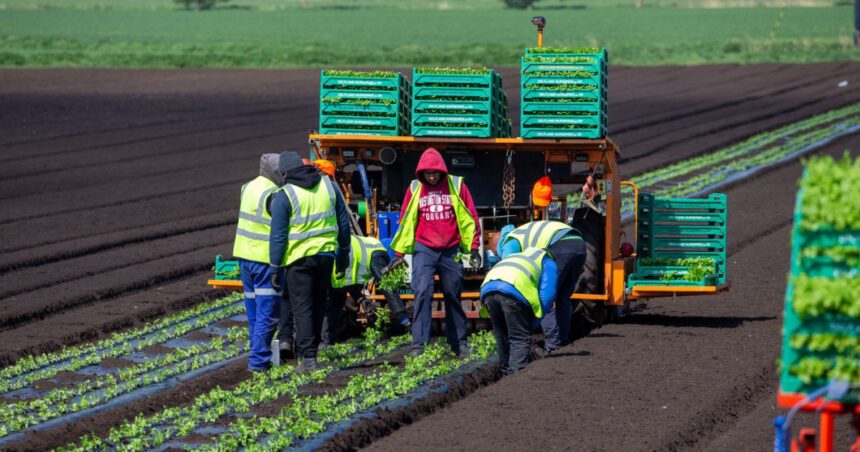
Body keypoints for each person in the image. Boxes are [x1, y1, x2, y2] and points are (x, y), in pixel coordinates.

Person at [386, 147, 481, 356]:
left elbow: (470, 217)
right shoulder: (414, 188)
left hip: (450, 249)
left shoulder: (456, 186)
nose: (431, 176)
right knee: (422, 293)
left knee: (453, 295)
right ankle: (419, 346)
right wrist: (399, 255)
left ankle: (459, 343)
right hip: (424, 248)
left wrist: (473, 248)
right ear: (421, 173)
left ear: (441, 171)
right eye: (427, 173)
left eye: (435, 173)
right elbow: (405, 222)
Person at [269, 151, 351, 371]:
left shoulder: (285, 195)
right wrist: (344, 255)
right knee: (318, 305)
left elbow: (278, 235)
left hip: (299, 260)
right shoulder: (329, 186)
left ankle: (308, 359)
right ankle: (312, 354)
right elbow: (344, 225)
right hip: (326, 256)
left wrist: (275, 267)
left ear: (285, 172)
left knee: (302, 308)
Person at [498, 219, 586, 353]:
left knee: (545, 299)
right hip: (579, 245)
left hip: (560, 247)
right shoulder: (522, 232)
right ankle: (563, 340)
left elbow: (510, 269)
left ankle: (553, 345)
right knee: (563, 298)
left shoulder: (509, 242)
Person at [232, 153, 285, 372]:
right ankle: (259, 362)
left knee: (254, 312)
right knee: (268, 313)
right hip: (264, 260)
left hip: (244, 257)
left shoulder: (247, 187)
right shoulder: (274, 193)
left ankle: (257, 357)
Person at [322, 234, 411, 349]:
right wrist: (361, 299)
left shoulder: (338, 255)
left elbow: (349, 282)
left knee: (333, 303)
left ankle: (325, 342)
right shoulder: (345, 255)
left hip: (370, 252)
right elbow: (348, 282)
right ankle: (326, 342)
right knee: (334, 302)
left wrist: (361, 299)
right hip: (370, 251)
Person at [480, 247, 558, 374]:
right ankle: (516, 376)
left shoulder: (518, 256)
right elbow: (547, 295)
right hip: (513, 291)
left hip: (488, 290)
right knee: (519, 337)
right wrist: (535, 322)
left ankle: (505, 373)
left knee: (501, 335)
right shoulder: (548, 261)